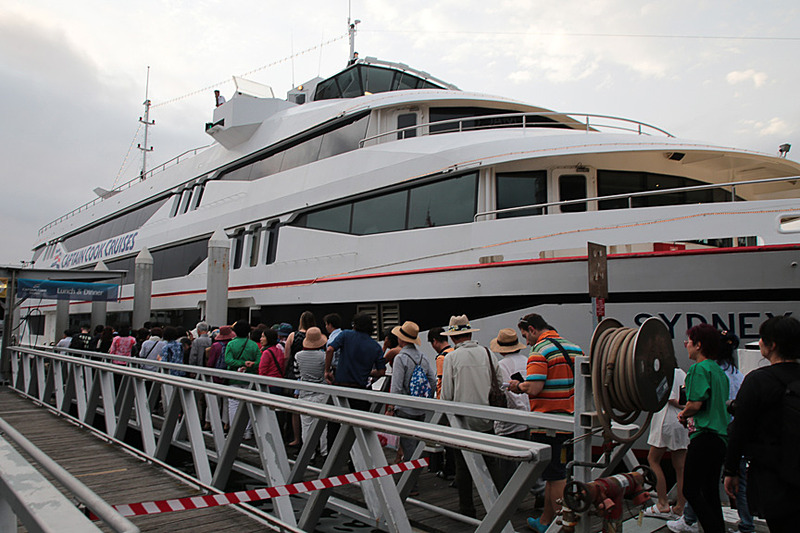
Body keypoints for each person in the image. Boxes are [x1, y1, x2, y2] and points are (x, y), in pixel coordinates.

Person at [723, 316, 800, 533]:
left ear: (772, 344)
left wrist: (731, 470)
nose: (759, 343)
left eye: (762, 339)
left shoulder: (758, 380)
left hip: (773, 475)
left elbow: (740, 430)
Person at [508, 313, 582, 533]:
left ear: (532, 329)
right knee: (554, 473)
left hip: (549, 423)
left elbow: (534, 387)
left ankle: (564, 525)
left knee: (557, 475)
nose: (526, 341)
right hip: (571, 421)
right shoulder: (575, 348)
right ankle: (545, 521)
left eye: (525, 335)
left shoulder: (540, 350)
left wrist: (517, 386)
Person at [440, 314, 498, 518]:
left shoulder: (451, 357)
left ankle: (467, 508)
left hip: (462, 421)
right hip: (487, 418)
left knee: (463, 467)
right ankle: (498, 504)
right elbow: (499, 382)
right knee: (491, 464)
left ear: (454, 338)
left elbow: (446, 394)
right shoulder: (488, 354)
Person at [672, 324, 729, 533]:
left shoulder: (698, 368)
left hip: (704, 435)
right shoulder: (719, 372)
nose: (686, 345)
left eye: (689, 341)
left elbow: (695, 404)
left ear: (698, 345)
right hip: (721, 437)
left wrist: (683, 413)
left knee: (691, 489)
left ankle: (712, 529)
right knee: (710, 490)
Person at [644, 366, 688, 519]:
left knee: (653, 459)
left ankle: (662, 502)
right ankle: (680, 507)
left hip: (666, 420)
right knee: (680, 467)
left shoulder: (664, 374)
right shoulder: (683, 373)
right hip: (682, 422)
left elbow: (667, 397)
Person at [388, 321, 435, 464]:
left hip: (405, 408)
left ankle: (411, 482)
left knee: (408, 447)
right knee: (418, 445)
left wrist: (391, 407)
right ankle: (416, 475)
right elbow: (432, 381)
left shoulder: (400, 358)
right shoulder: (423, 357)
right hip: (420, 408)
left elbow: (396, 387)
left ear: (401, 339)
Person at [490, 328, 531, 489]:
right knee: (526, 462)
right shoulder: (527, 360)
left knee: (507, 466)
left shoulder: (502, 365)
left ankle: (510, 498)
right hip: (530, 416)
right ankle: (535, 491)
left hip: (511, 420)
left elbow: (508, 393)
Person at [293, 326, 329, 460]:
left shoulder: (298, 356)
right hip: (321, 392)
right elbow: (327, 373)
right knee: (323, 425)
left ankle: (309, 453)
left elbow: (297, 374)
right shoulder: (324, 356)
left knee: (306, 426)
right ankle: (324, 452)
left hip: (305, 392)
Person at [427, 326, 455, 480]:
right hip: (458, 401)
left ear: (435, 341)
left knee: (448, 439)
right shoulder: (454, 352)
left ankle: (449, 470)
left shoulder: (442, 357)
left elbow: (440, 383)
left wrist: (439, 404)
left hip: (446, 403)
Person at [225, 320, 261, 440]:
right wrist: (251, 364)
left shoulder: (231, 344)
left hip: (234, 378)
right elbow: (259, 362)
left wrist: (240, 363)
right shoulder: (253, 345)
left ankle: (234, 431)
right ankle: (247, 432)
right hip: (249, 378)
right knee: (248, 405)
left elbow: (228, 360)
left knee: (233, 404)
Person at [258, 328, 285, 393]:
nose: (260, 339)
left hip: (268, 384)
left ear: (268, 338)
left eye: (263, 336)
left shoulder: (266, 352)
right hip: (278, 383)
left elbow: (262, 370)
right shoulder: (279, 351)